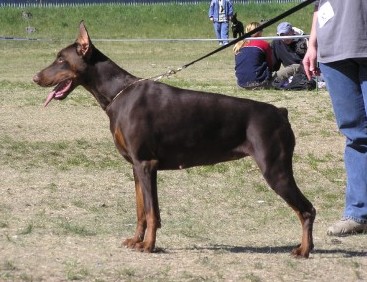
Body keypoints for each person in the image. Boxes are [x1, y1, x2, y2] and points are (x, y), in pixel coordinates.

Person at [303, 0, 367, 236]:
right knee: (355, 134)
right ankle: (358, 213)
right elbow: (319, 5)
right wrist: (312, 45)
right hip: (334, 52)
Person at [233, 22, 272, 89]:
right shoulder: (264, 44)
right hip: (259, 83)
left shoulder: (239, 45)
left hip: (241, 84)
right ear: (259, 32)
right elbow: (270, 64)